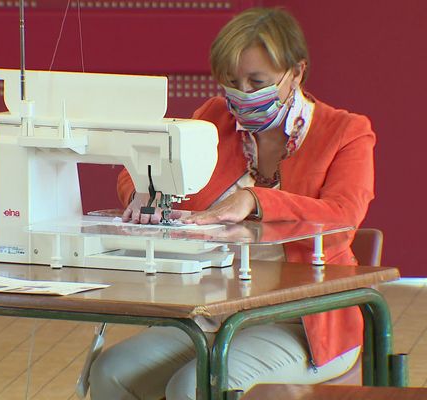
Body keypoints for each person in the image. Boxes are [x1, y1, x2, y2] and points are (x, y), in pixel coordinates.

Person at [89, 7, 375, 400]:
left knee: (190, 387)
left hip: (306, 324)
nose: (242, 94)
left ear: (297, 72)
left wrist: (255, 199)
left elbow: (345, 214)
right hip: (219, 315)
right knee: (111, 371)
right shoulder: (215, 117)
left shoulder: (346, 132)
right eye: (232, 82)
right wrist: (145, 187)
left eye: (257, 81)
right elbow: (146, 166)